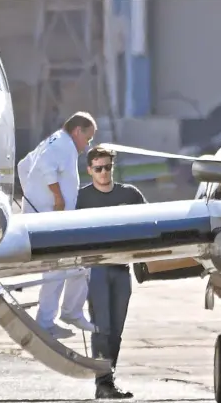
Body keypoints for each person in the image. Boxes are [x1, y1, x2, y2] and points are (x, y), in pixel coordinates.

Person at [76, 145, 148, 399]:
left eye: (108, 167)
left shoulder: (130, 194)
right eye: (99, 168)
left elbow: (149, 224)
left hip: (121, 269)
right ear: (89, 170)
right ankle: (103, 382)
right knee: (102, 327)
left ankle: (109, 378)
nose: (104, 173)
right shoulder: (81, 198)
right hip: (95, 270)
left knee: (116, 330)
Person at [17, 111, 97, 339]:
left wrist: (30, 198)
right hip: (51, 219)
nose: (87, 145)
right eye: (87, 138)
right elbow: (43, 166)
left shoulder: (53, 141)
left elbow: (24, 165)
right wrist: (57, 198)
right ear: (77, 131)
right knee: (69, 265)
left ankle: (61, 315)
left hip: (45, 217)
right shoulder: (63, 145)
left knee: (71, 266)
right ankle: (55, 318)